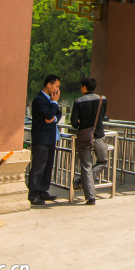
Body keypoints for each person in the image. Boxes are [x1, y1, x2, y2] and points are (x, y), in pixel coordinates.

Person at [69, 77, 107, 206]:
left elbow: (74, 123)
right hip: (99, 136)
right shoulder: (103, 99)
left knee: (86, 166)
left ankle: (90, 197)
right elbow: (102, 116)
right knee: (103, 161)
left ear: (84, 87)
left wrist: (81, 123)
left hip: (84, 137)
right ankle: (83, 181)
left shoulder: (78, 101)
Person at [28, 75, 61, 206]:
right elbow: (48, 113)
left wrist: (54, 117)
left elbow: (57, 114)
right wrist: (54, 104)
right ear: (49, 85)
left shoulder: (52, 100)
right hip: (41, 139)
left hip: (51, 138)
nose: (58, 89)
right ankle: (34, 194)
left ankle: (43, 190)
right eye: (56, 86)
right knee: (38, 167)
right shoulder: (39, 100)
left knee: (48, 166)